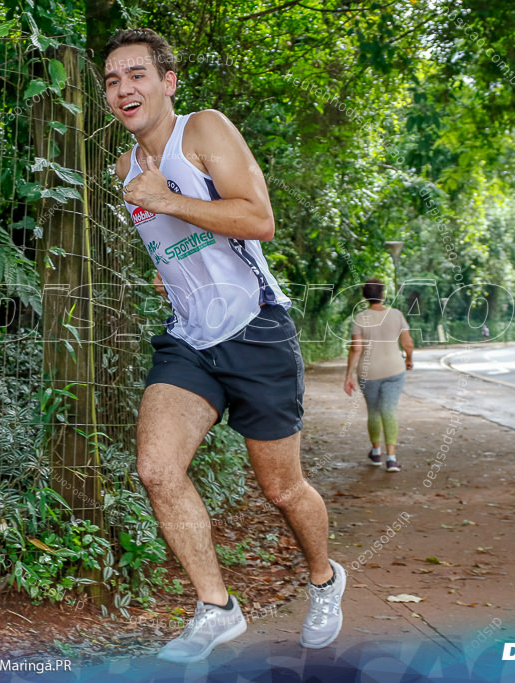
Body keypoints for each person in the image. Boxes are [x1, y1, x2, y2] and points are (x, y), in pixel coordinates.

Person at [103, 28, 345, 664]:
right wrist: (171, 268)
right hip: (191, 341)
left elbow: (257, 218)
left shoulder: (204, 130)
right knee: (157, 469)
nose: (124, 88)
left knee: (281, 489)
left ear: (167, 82)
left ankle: (324, 577)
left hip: (256, 328)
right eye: (112, 80)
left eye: (136, 75)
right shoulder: (123, 168)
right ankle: (216, 606)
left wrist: (169, 200)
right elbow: (176, 245)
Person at [343, 279, 413, 472]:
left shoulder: (360, 317)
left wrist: (348, 375)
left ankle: (376, 453)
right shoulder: (396, 314)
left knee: (374, 412)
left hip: (368, 372)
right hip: (394, 370)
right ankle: (391, 459)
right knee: (389, 411)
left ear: (365, 296)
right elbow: (408, 343)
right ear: (382, 294)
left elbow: (356, 349)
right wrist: (409, 359)